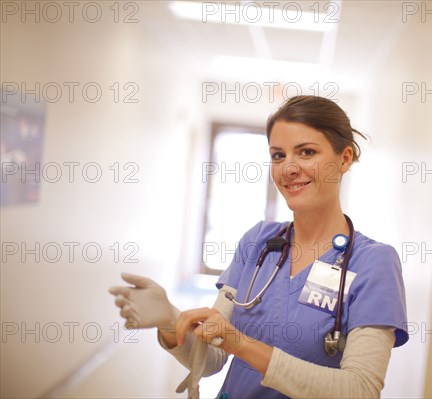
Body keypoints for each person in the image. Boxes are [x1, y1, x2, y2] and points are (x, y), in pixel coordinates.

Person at [109, 95, 409, 398]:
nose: (288, 169)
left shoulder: (373, 262)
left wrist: (241, 344)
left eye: (306, 152)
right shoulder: (259, 242)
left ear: (344, 159)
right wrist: (170, 320)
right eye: (278, 155)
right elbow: (213, 357)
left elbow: (359, 389)